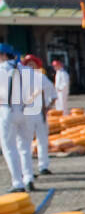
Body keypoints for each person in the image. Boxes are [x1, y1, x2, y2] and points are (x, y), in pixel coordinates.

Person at [0, 46, 35, 191]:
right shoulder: (26, 70)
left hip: (7, 109)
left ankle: (18, 182)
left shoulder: (1, 69)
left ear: (2, 55)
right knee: (25, 146)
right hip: (26, 110)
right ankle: (28, 178)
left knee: (9, 147)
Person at [22, 55, 56, 175]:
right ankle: (27, 169)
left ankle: (43, 166)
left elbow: (53, 94)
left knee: (41, 140)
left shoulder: (41, 77)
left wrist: (47, 107)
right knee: (27, 142)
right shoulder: (21, 78)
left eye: (32, 64)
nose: (30, 67)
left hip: (39, 113)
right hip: (26, 114)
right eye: (28, 64)